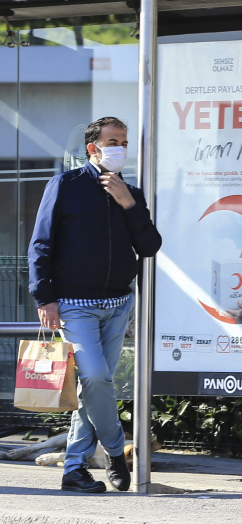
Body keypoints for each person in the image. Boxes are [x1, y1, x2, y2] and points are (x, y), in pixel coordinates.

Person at [28, 116, 162, 494]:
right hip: (73, 305)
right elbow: (40, 245)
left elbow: (150, 246)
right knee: (96, 377)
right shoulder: (65, 186)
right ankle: (117, 453)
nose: (120, 147)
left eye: (123, 141)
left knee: (93, 387)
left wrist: (128, 204)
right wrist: (45, 298)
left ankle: (74, 470)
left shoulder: (131, 192)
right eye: (113, 141)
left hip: (118, 304)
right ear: (93, 148)